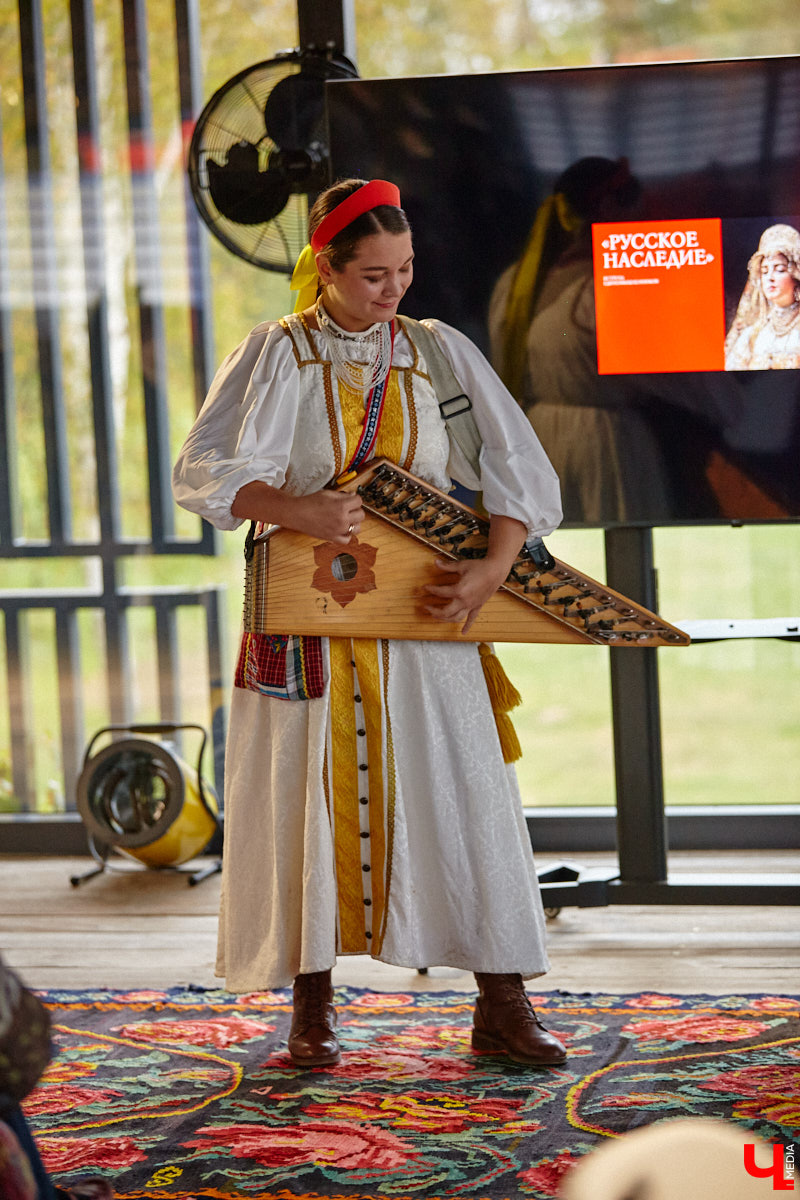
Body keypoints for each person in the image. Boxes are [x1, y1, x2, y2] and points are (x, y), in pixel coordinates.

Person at [172, 177, 566, 1070]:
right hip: (307, 619)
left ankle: (501, 1003)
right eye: (375, 275)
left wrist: (489, 572)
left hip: (426, 615)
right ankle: (310, 1011)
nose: (394, 291)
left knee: (465, 792)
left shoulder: (437, 353)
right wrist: (292, 505)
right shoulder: (276, 355)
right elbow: (201, 469)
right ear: (327, 270)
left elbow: (519, 471)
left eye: (406, 270)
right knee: (302, 798)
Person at [724, 222, 800, 370]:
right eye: (764, 271)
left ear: (795, 275)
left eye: (779, 270)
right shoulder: (752, 334)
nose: (769, 277)